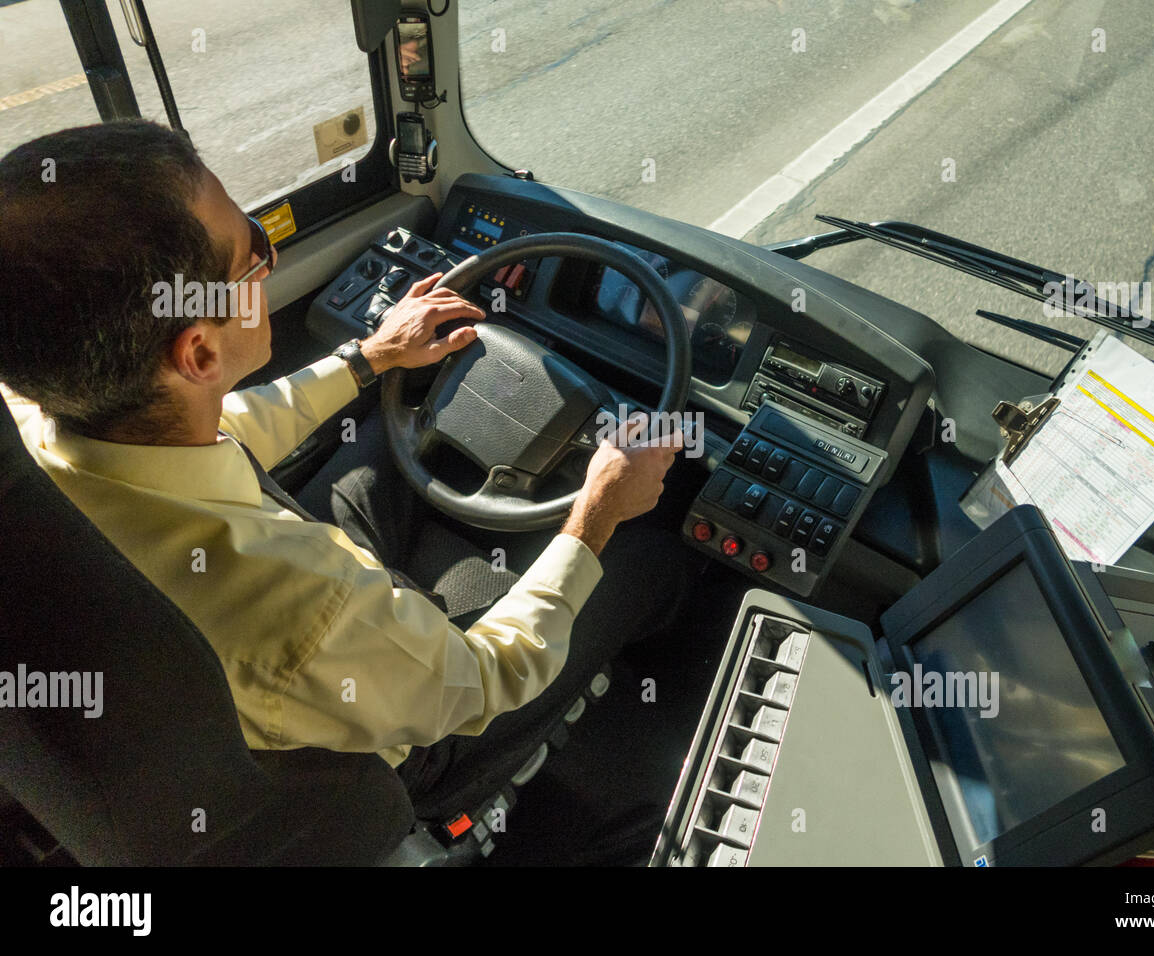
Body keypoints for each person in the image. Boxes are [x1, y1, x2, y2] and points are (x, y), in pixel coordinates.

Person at [0, 119, 699, 820]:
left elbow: (218, 432)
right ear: (201, 355)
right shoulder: (298, 612)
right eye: (253, 253)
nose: (268, 262)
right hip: (400, 752)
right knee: (649, 549)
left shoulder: (32, 420)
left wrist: (369, 358)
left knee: (376, 442)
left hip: (262, 673)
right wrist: (597, 512)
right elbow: (491, 677)